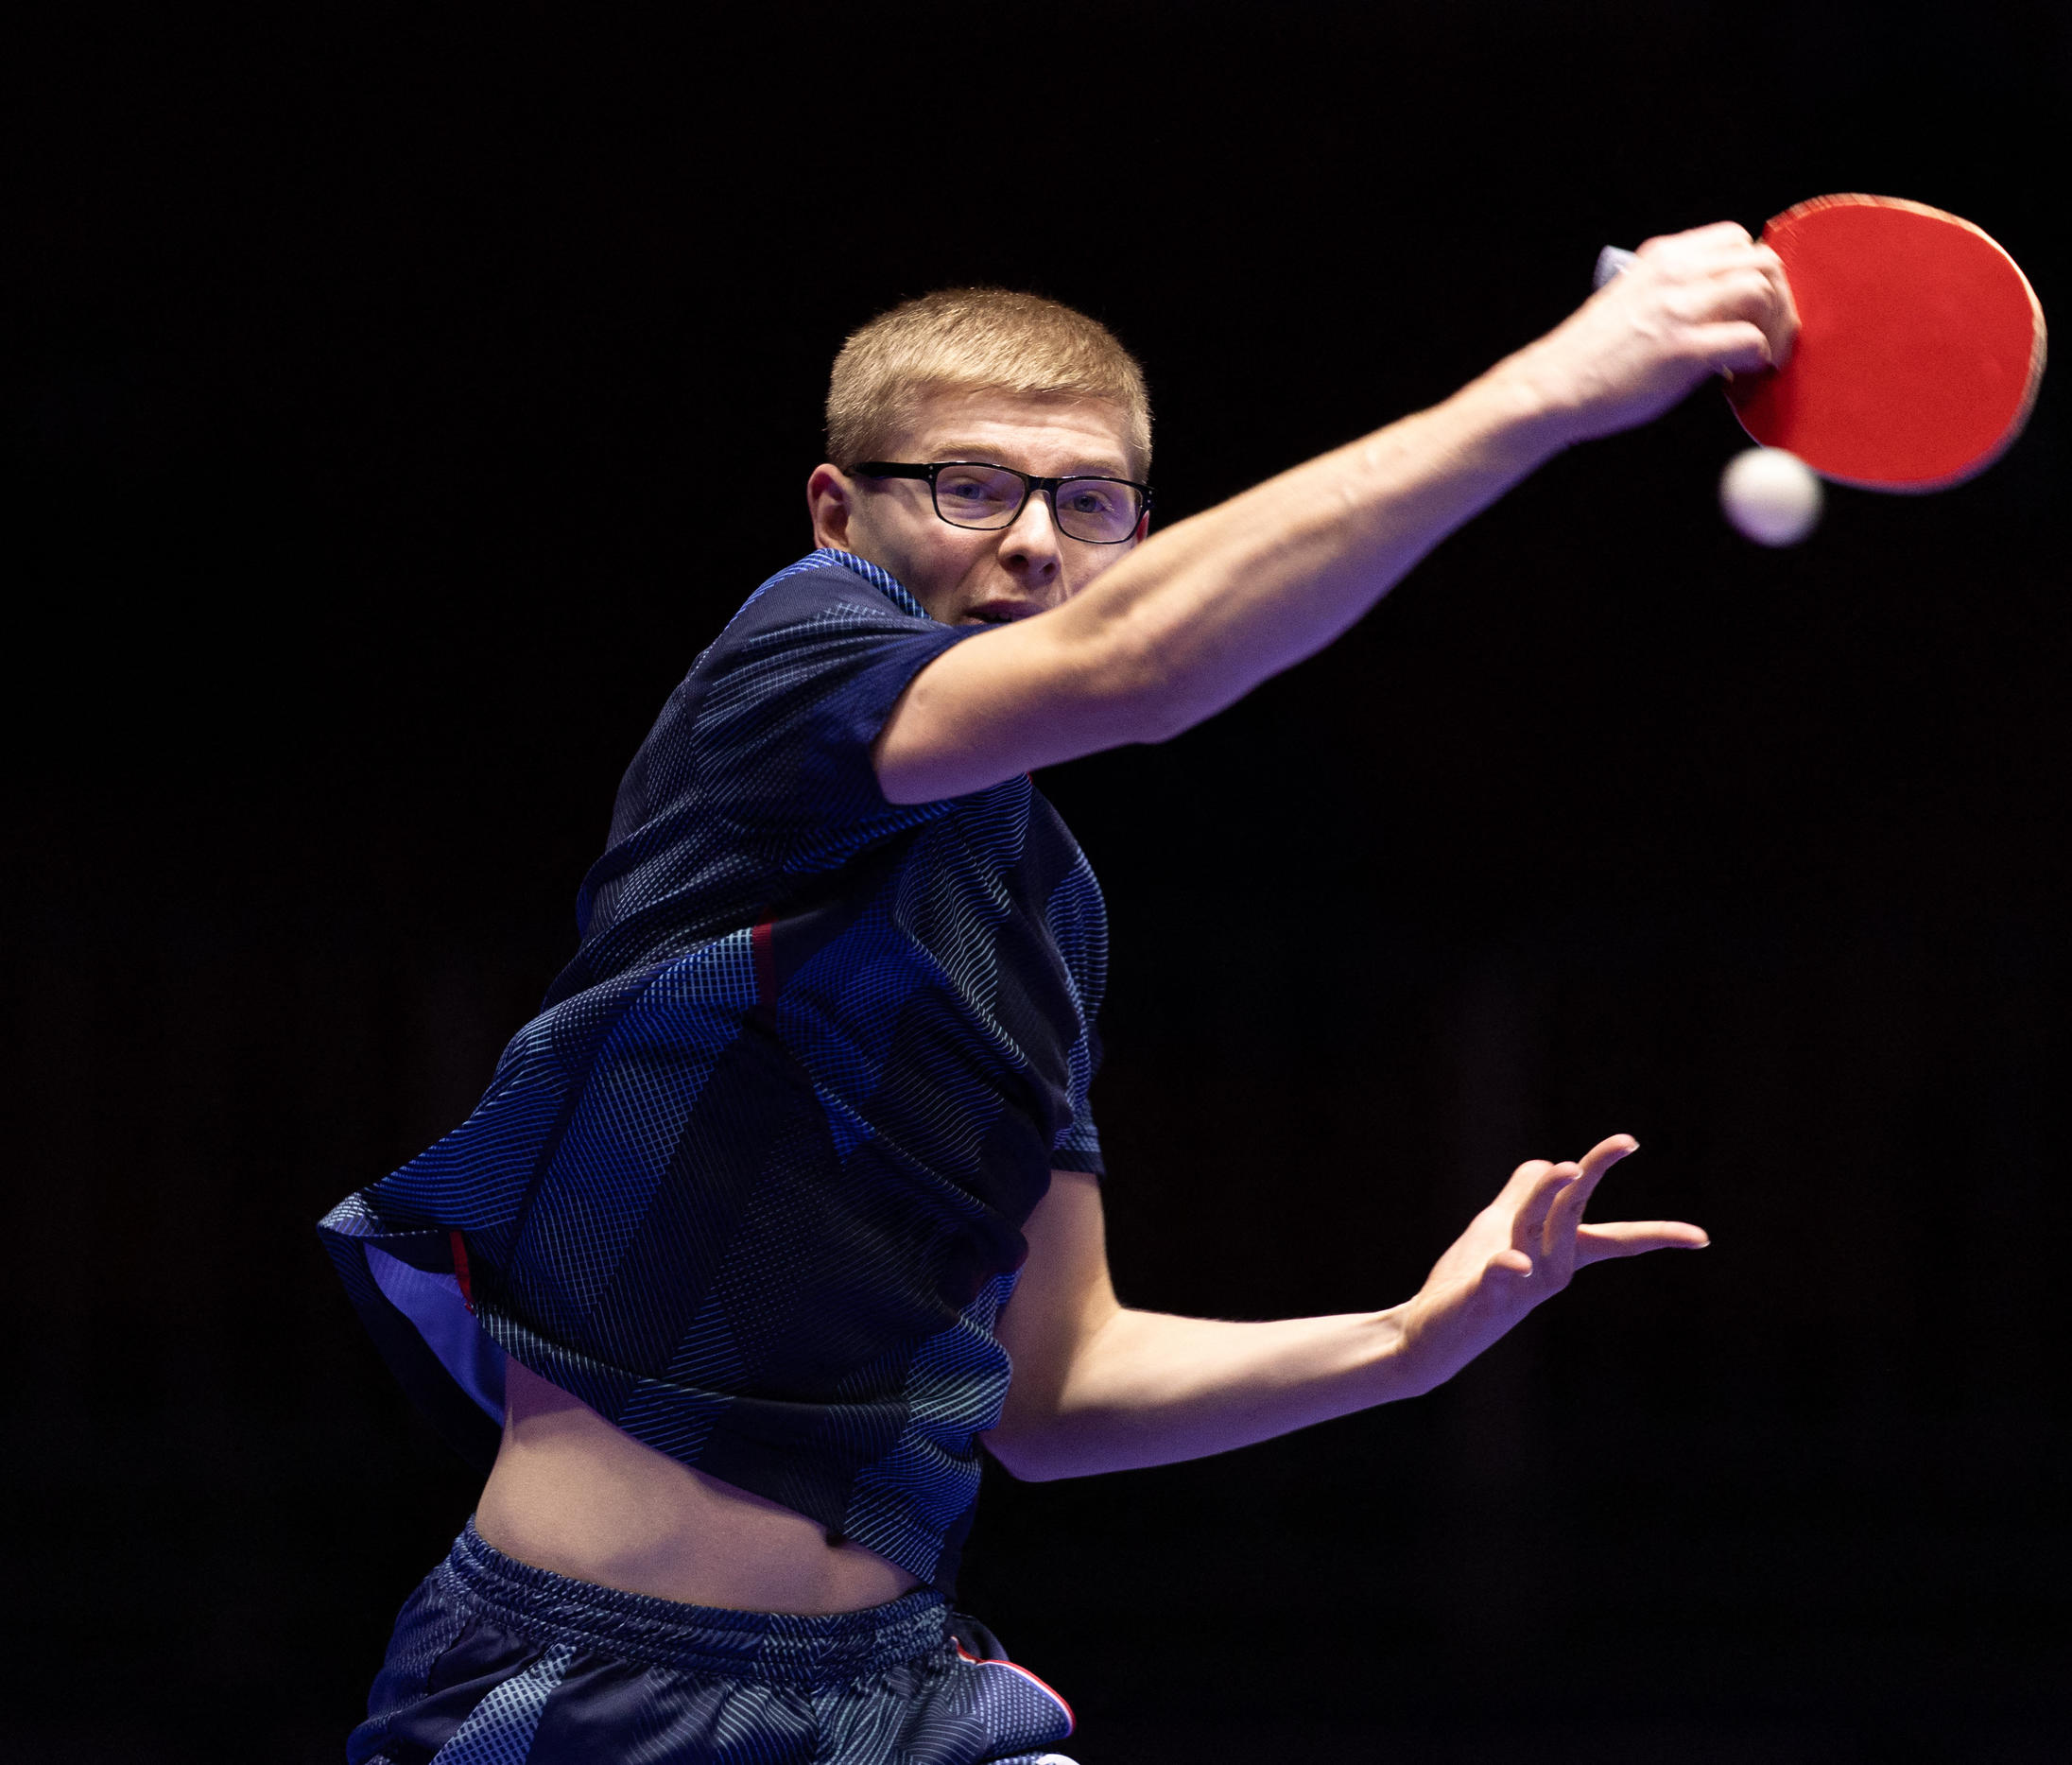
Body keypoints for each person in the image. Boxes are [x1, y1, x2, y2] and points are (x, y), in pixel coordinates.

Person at [320, 222, 1797, 1765]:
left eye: (1088, 504)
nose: (1032, 543)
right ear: (839, 511)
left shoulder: (1046, 903)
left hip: (898, 1699)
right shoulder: (791, 673)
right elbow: (1143, 666)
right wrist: (1556, 387)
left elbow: (1058, 1384)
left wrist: (1408, 1343)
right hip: (589, 1688)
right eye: (971, 487)